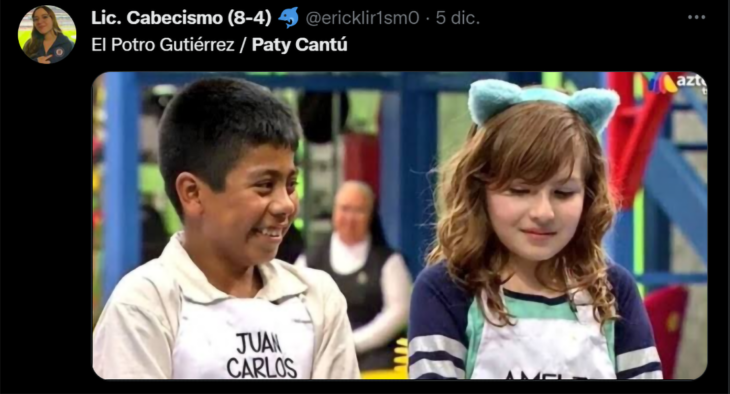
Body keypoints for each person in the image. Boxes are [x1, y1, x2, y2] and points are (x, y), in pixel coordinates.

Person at [93, 77, 359, 379]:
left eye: (290, 184)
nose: (285, 204)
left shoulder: (317, 298)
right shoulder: (145, 305)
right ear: (193, 193)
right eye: (264, 185)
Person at [407, 79, 663, 380]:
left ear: (589, 195)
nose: (543, 213)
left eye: (564, 193)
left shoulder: (614, 292)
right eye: (519, 190)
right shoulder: (446, 291)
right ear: (479, 190)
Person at [296, 181, 412, 371]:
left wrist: (353, 342)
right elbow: (294, 308)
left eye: (359, 210)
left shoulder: (390, 261)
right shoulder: (309, 260)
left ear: (371, 215)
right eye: (344, 209)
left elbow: (399, 312)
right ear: (334, 211)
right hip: (321, 358)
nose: (350, 218)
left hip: (376, 361)